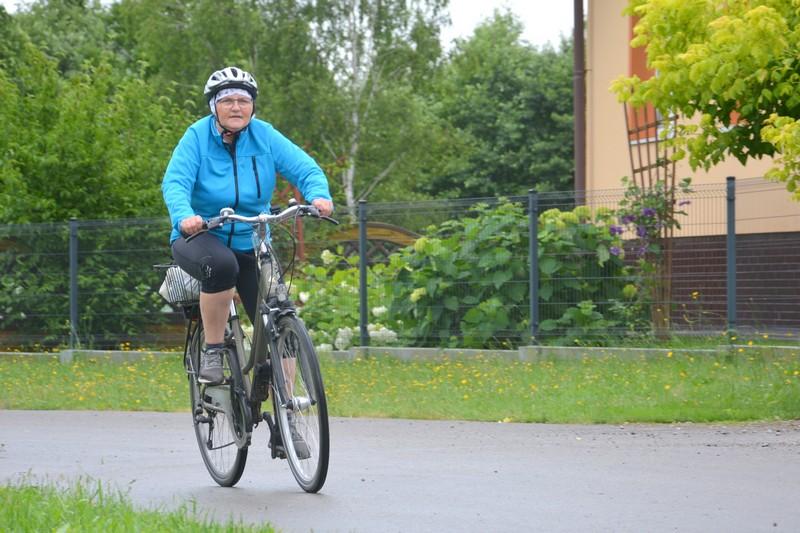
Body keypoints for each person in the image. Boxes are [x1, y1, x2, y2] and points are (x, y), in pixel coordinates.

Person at [162, 66, 333, 386]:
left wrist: (319, 196)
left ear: (252, 106)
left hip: (252, 238)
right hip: (201, 235)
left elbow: (305, 168)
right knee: (222, 266)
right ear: (214, 106)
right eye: (227, 101)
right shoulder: (196, 137)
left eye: (244, 100)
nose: (236, 107)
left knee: (279, 308)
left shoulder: (264, 135)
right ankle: (213, 350)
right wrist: (185, 216)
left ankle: (290, 402)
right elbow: (175, 182)